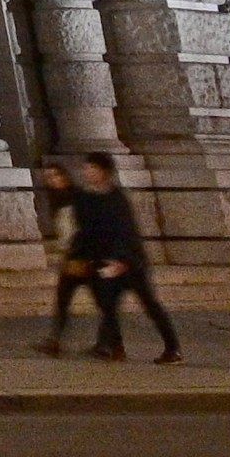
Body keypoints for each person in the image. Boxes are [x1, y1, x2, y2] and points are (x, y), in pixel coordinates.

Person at [67, 154, 180, 363]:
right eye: (87, 168)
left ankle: (173, 348)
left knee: (150, 305)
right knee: (107, 307)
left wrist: (122, 261)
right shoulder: (83, 198)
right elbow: (84, 231)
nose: (88, 172)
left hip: (129, 263)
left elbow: (126, 231)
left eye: (93, 168)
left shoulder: (117, 198)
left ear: (105, 172)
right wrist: (82, 258)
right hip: (102, 261)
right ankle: (116, 348)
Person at [33, 160, 87, 355]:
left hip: (83, 257)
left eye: (56, 176)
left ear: (64, 176)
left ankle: (113, 344)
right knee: (62, 300)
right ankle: (55, 340)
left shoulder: (77, 198)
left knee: (103, 302)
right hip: (70, 257)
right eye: (49, 178)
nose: (52, 180)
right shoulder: (57, 200)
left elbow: (81, 229)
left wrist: (78, 255)